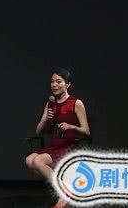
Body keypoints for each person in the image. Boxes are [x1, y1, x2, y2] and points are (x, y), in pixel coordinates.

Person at [24, 68, 91, 208]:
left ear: (68, 84)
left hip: (70, 146)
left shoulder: (76, 103)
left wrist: (71, 126)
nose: (54, 85)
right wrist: (45, 120)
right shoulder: (50, 103)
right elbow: (39, 132)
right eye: (52, 81)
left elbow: (86, 131)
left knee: (38, 161)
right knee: (29, 160)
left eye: (58, 81)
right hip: (55, 146)